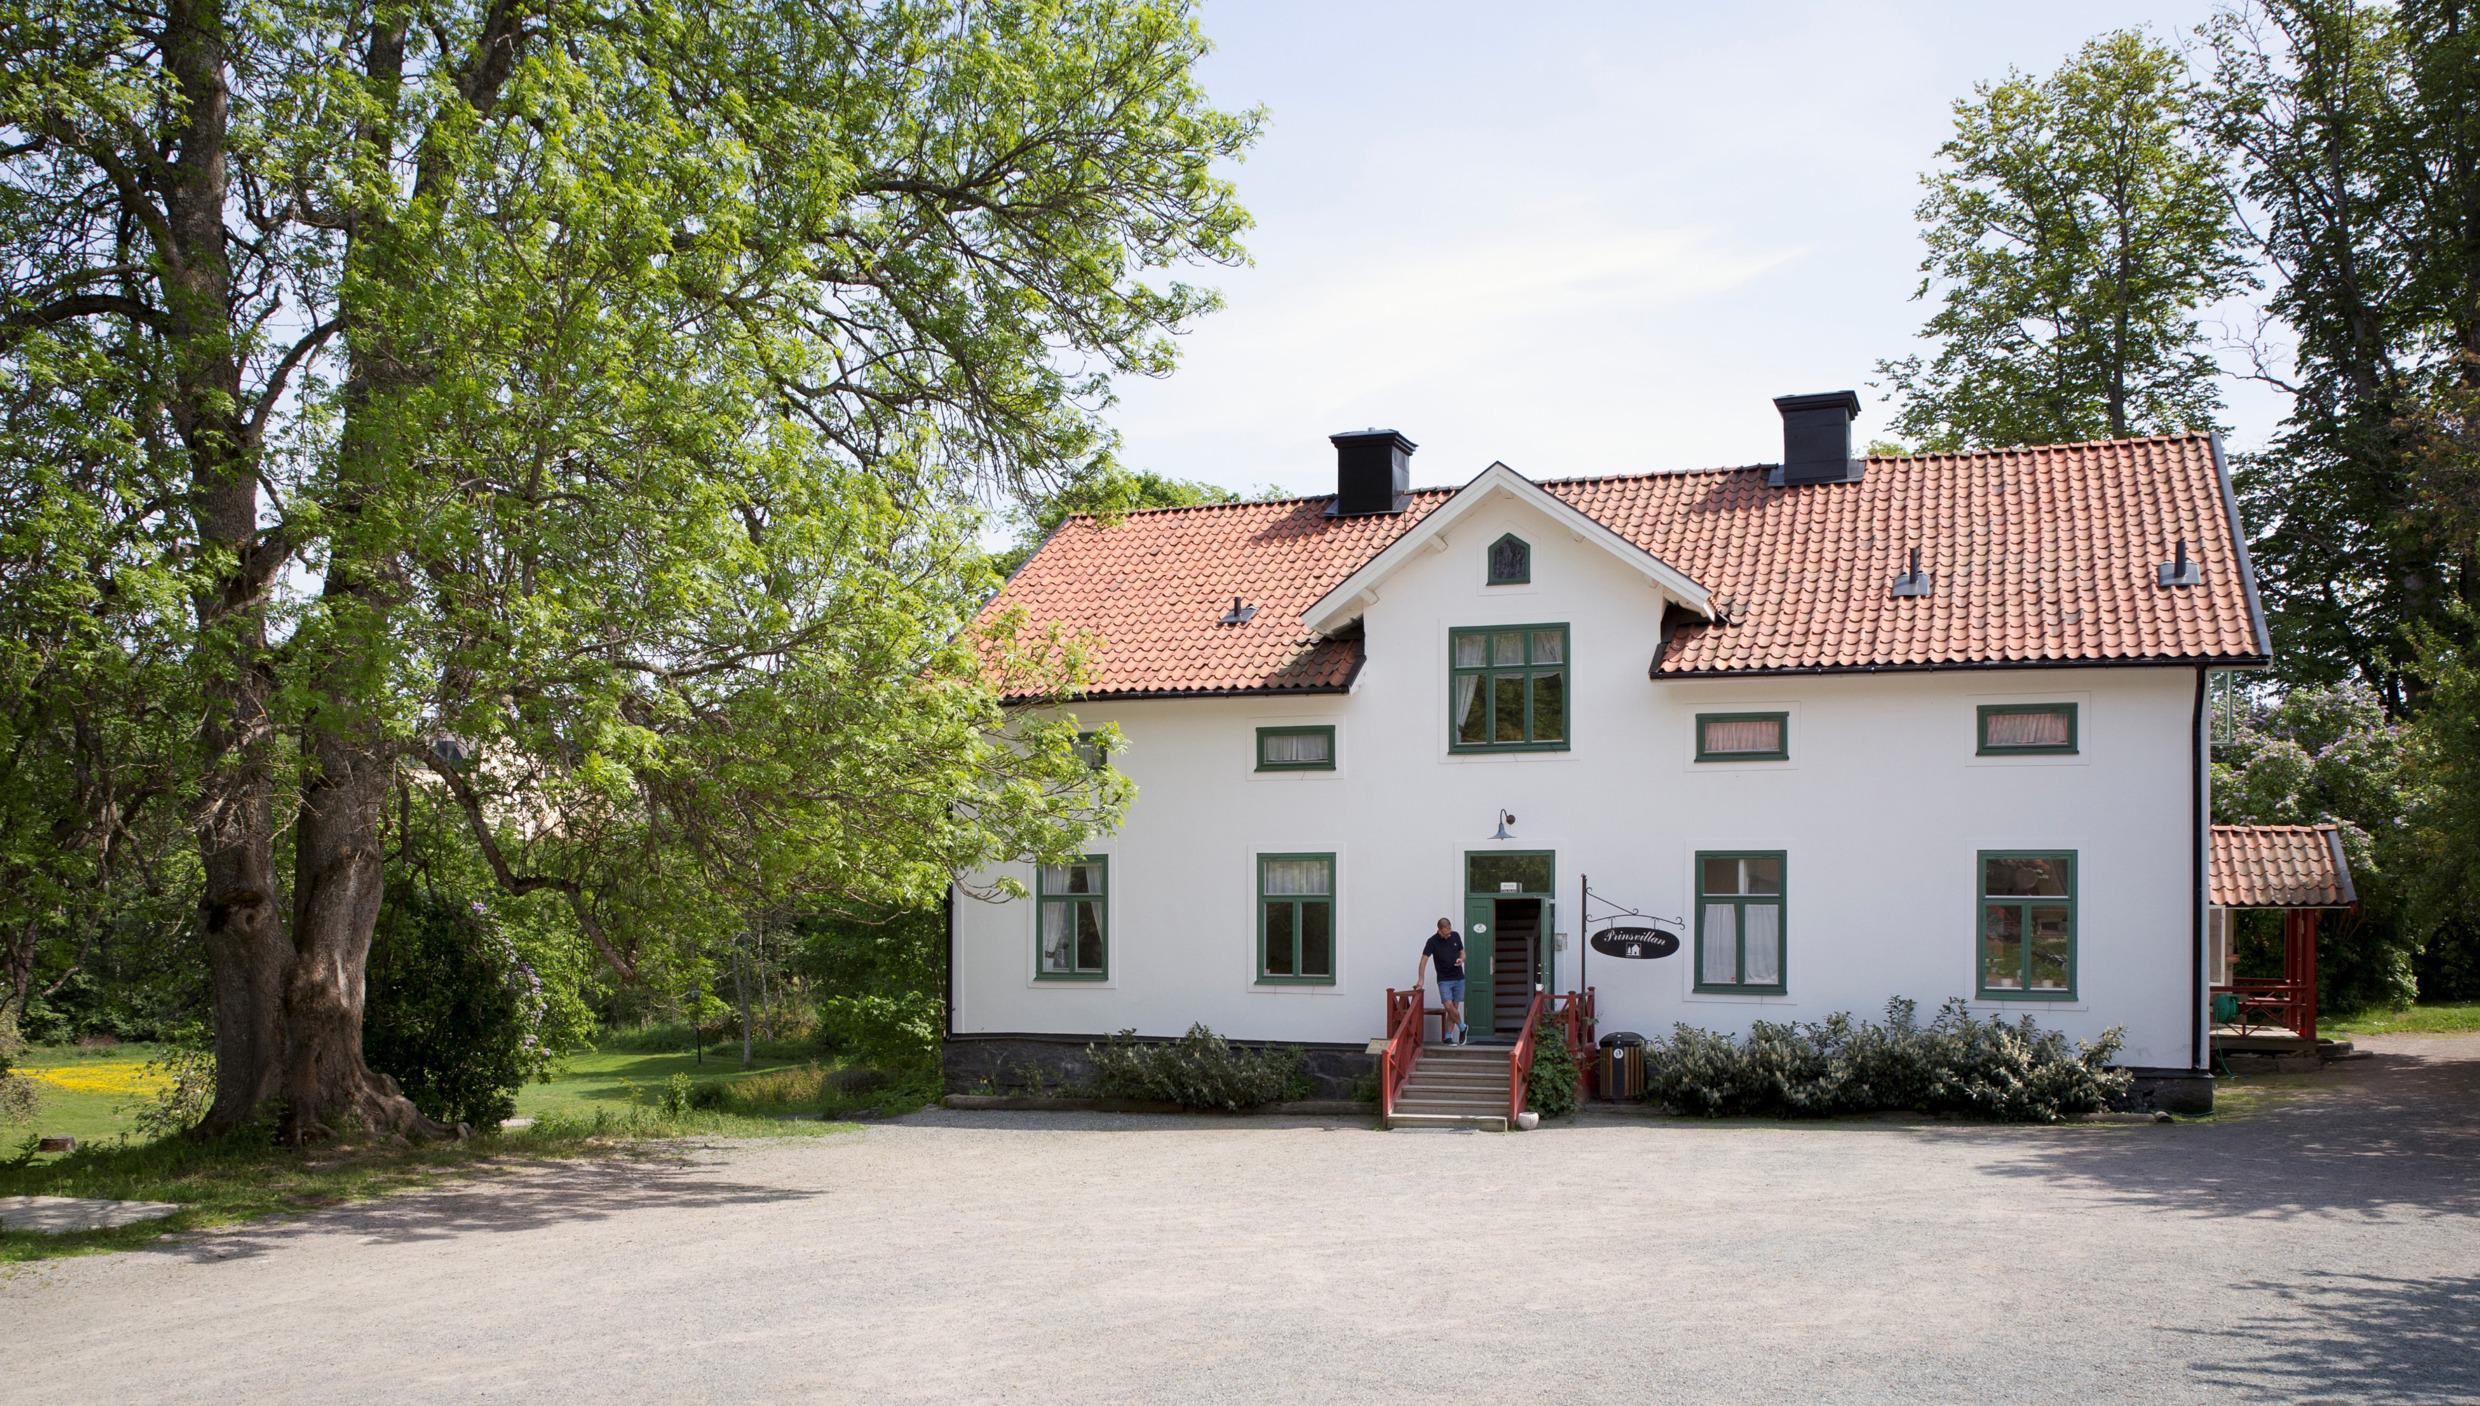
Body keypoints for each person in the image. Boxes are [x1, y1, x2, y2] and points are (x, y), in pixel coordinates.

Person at [1415, 918, 1469, 1045]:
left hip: (1458, 978)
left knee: (1454, 1008)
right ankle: (1462, 1027)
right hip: (1444, 979)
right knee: (1448, 1006)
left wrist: (1462, 960)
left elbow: (1463, 953)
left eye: (1449, 931)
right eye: (1445, 933)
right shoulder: (1432, 942)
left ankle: (1448, 1037)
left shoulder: (1455, 936)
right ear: (1439, 930)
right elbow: (1423, 961)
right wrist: (1421, 979)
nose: (1448, 934)